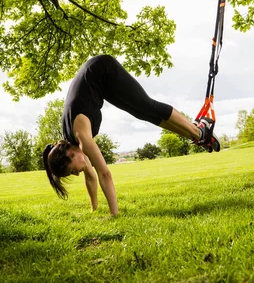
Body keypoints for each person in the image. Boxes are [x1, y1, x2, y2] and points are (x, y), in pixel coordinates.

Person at [43, 55, 220, 216]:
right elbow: (90, 176)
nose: (76, 174)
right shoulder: (71, 143)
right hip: (100, 82)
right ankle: (196, 136)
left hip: (102, 69)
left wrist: (114, 215)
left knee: (147, 105)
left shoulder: (82, 138)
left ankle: (199, 130)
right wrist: (94, 209)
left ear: (70, 155)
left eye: (72, 170)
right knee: (143, 114)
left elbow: (104, 174)